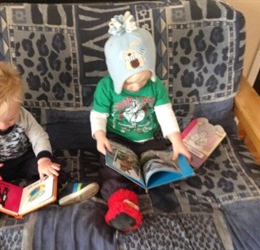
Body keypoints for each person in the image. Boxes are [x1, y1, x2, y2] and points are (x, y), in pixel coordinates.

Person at [0, 62, 99, 241]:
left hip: (24, 159)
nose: (3, 126)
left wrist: (43, 160)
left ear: (19, 106)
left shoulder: (24, 116)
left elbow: (39, 138)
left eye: (10, 119)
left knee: (49, 165)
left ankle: (62, 188)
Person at [90, 12, 191, 232]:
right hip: (117, 140)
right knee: (112, 171)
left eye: (142, 80)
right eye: (129, 85)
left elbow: (165, 113)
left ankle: (144, 188)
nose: (136, 88)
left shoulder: (156, 87)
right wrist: (100, 136)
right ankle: (121, 205)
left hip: (148, 140)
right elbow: (98, 115)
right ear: (116, 76)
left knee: (160, 164)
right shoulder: (106, 87)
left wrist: (177, 140)